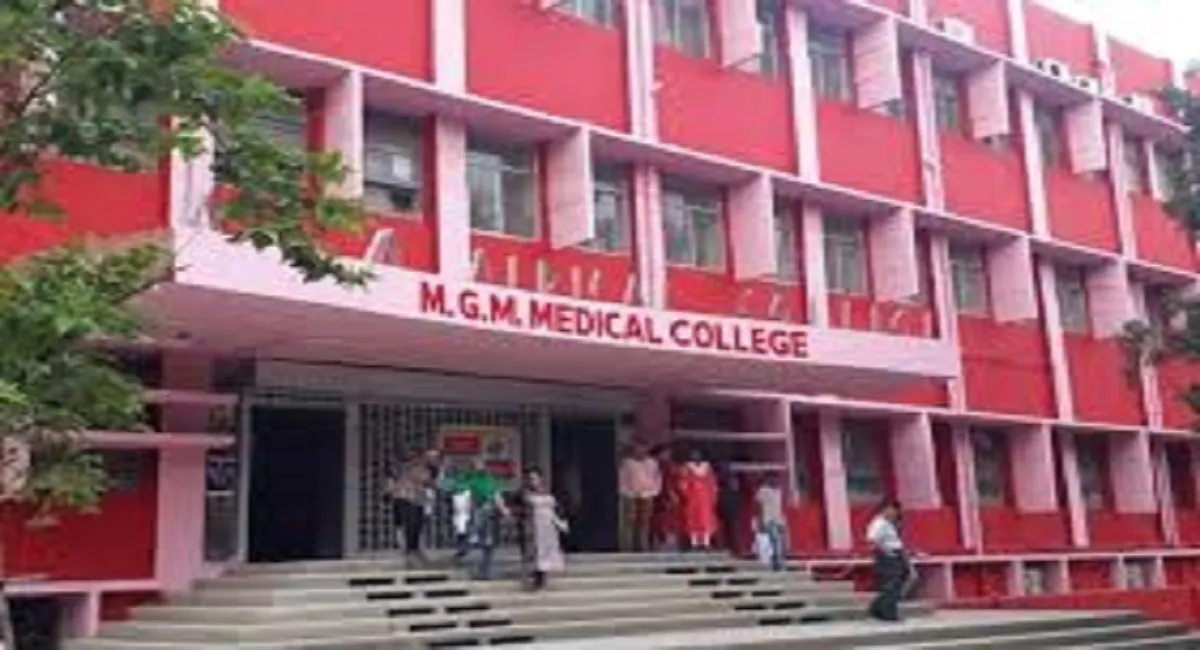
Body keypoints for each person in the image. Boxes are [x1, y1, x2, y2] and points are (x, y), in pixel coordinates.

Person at [452, 459, 510, 580]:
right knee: (474, 537)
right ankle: (463, 551)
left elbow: (496, 494)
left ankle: (484, 571)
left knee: (488, 544)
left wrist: (503, 509)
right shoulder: (467, 480)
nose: (479, 469)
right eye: (476, 466)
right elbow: (462, 495)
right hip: (475, 512)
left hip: (488, 514)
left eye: (480, 466)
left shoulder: (489, 480)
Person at [386, 448, 441, 566]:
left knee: (417, 524)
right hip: (406, 497)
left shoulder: (430, 469)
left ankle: (414, 548)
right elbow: (395, 479)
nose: (434, 460)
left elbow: (429, 482)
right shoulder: (407, 467)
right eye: (432, 457)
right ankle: (410, 549)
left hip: (418, 498)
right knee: (410, 523)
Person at [865, 499, 912, 622]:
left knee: (900, 581)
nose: (894, 513)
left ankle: (877, 608)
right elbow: (872, 540)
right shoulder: (878, 523)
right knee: (891, 584)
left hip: (897, 553)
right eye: (892, 510)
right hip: (888, 555)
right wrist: (885, 551)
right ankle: (887, 612)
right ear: (885, 509)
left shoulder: (889, 523)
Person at [521, 467, 567, 591]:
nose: (533, 481)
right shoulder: (525, 494)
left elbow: (553, 511)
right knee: (537, 552)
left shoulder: (547, 493)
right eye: (530, 479)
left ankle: (544, 578)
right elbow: (523, 511)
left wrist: (559, 523)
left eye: (535, 478)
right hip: (535, 525)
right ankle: (537, 579)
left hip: (548, 526)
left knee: (547, 551)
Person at [619, 442, 662, 552]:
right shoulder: (628, 463)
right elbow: (622, 479)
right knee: (630, 522)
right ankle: (627, 547)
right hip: (631, 495)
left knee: (644, 522)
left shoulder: (652, 463)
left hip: (647, 495)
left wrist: (654, 491)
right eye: (638, 449)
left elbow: (657, 478)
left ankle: (642, 547)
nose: (640, 451)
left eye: (643, 449)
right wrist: (626, 492)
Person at [675, 449, 718, 551]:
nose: (696, 458)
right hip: (692, 498)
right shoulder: (686, 468)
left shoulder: (708, 469)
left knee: (706, 520)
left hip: (705, 498)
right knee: (692, 520)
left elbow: (712, 484)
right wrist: (685, 495)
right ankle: (694, 543)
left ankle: (706, 543)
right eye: (693, 456)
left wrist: (713, 497)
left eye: (698, 455)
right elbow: (683, 483)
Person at [753, 473, 788, 571]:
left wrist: (783, 518)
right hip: (768, 519)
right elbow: (758, 506)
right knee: (775, 541)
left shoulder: (779, 490)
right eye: (773, 479)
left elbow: (780, 505)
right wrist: (760, 520)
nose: (776, 481)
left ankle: (781, 561)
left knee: (783, 541)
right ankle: (776, 563)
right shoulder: (763, 491)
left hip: (779, 519)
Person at [716, 464, 741, 552]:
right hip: (727, 512)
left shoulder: (732, 491)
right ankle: (729, 546)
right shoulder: (725, 490)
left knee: (732, 530)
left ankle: (733, 547)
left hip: (731, 512)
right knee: (729, 530)